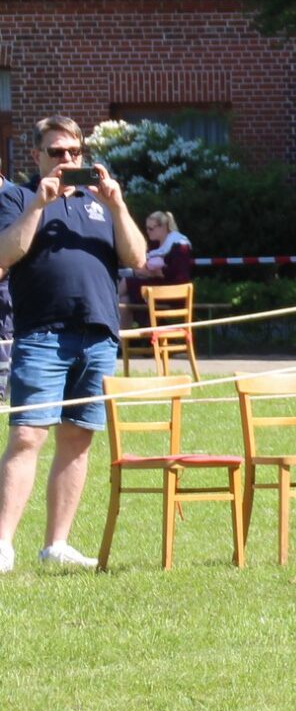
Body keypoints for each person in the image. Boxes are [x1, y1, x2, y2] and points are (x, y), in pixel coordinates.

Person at [0, 117, 148, 573]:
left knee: (78, 438)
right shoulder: (17, 197)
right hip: (42, 334)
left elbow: (137, 257)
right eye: (56, 152)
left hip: (98, 334)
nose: (66, 160)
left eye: (74, 152)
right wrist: (38, 205)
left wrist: (118, 205)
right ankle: (2, 544)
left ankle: (56, 544)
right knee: (27, 435)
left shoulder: (100, 202)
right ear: (37, 156)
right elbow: (4, 255)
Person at [124, 210, 194, 304]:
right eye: (147, 228)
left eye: (151, 229)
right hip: (158, 287)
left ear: (163, 227)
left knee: (126, 282)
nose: (147, 232)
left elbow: (179, 275)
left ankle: (106, 307)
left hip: (173, 291)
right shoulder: (154, 245)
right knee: (124, 300)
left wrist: (155, 272)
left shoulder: (180, 244)